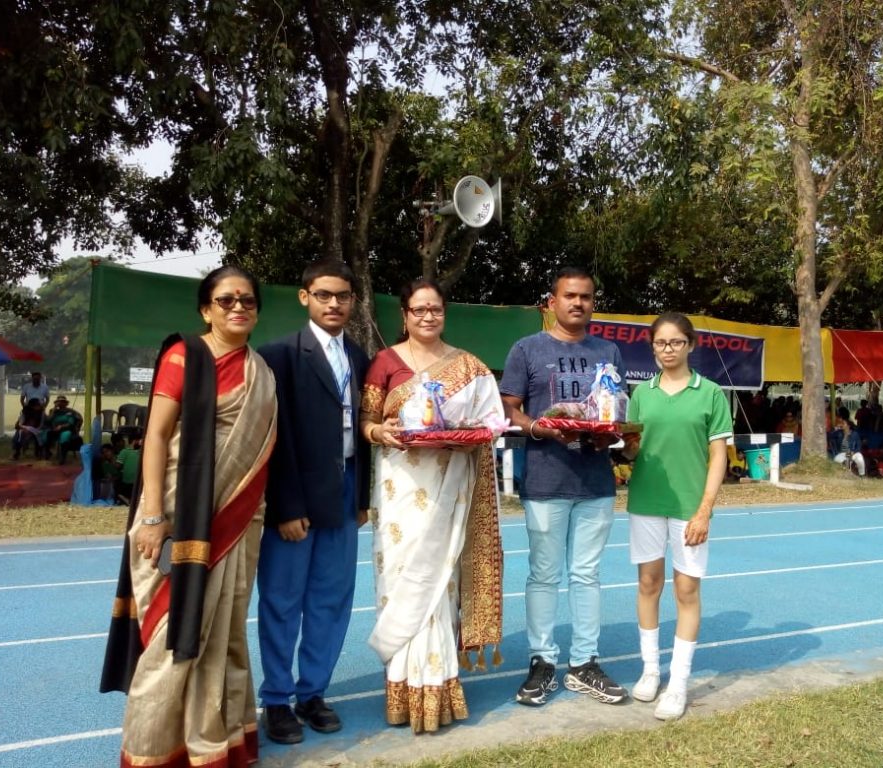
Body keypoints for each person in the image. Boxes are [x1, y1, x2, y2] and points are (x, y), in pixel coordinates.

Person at [99, 265, 278, 768]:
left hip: (239, 519)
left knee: (225, 633)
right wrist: (153, 516)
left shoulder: (261, 372)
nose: (238, 307)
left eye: (247, 300)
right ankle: (152, 752)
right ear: (206, 309)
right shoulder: (185, 356)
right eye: (226, 300)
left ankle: (216, 744)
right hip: (178, 514)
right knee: (172, 634)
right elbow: (156, 436)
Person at [359, 278, 504, 733]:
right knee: (401, 576)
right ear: (404, 315)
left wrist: (471, 437)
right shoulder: (385, 363)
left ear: (444, 313)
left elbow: (491, 421)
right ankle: (403, 686)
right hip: (400, 486)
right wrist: (379, 432)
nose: (427, 316)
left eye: (435, 309)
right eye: (419, 309)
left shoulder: (469, 366)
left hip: (450, 482)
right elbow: (367, 420)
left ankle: (439, 685)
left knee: (442, 581)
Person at [499, 266, 629, 708]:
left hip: (595, 481)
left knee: (587, 573)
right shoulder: (527, 349)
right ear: (551, 302)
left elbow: (615, 410)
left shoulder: (609, 351)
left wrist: (609, 435)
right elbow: (508, 408)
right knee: (543, 574)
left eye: (586, 297)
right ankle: (542, 661)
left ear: (593, 303)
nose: (578, 303)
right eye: (570, 296)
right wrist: (539, 427)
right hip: (545, 478)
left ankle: (584, 662)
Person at [255, 259, 372, 745]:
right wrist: (285, 505)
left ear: (353, 301)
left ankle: (313, 693)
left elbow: (364, 432)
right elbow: (272, 437)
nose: (334, 304)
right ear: (305, 297)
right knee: (283, 599)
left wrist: (362, 496)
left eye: (343, 296)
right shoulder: (279, 355)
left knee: (332, 598)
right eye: (324, 295)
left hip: (344, 491)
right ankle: (276, 699)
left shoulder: (360, 357)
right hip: (296, 495)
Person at [620, 312, 732, 721]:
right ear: (652, 347)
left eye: (675, 342)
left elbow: (718, 456)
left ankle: (678, 682)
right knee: (648, 584)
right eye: (660, 343)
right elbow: (632, 451)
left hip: (690, 506)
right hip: (646, 501)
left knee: (686, 590)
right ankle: (651, 670)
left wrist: (705, 510)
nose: (667, 349)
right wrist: (625, 446)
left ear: (690, 344)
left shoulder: (711, 394)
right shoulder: (641, 394)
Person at [42, 395, 83, 464]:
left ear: (66, 403)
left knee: (65, 435)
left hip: (66, 429)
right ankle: (47, 453)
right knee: (47, 433)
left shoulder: (70, 411)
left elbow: (71, 423)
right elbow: (48, 420)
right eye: (59, 402)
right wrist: (54, 409)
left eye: (62, 402)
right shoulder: (53, 411)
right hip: (55, 430)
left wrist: (61, 426)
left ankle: (63, 457)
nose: (60, 403)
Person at [114, 437, 142, 504]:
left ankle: (129, 500)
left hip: (132, 482)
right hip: (133, 482)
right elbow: (118, 466)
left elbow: (118, 466)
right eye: (140, 440)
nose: (141, 442)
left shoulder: (125, 451)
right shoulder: (125, 451)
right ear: (134, 441)